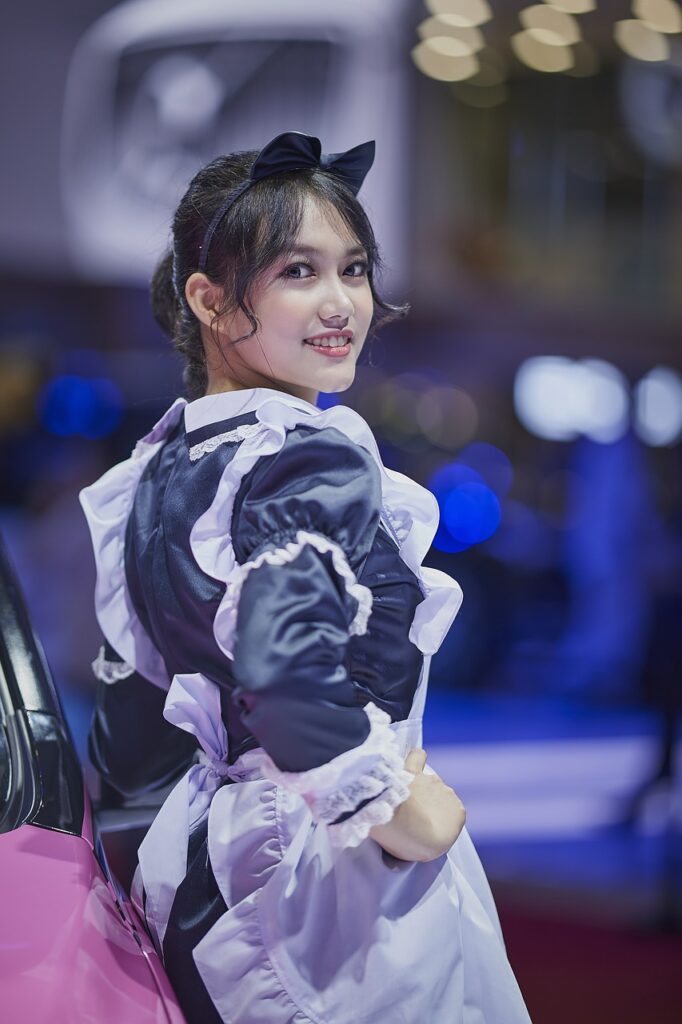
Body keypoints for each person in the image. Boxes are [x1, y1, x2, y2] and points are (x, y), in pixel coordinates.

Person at [80, 131, 533, 1024]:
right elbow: (286, 678)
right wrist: (398, 807)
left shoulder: (168, 463)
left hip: (215, 876)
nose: (341, 304)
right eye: (298, 272)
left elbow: (132, 718)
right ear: (209, 299)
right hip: (329, 883)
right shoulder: (299, 454)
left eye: (354, 269)